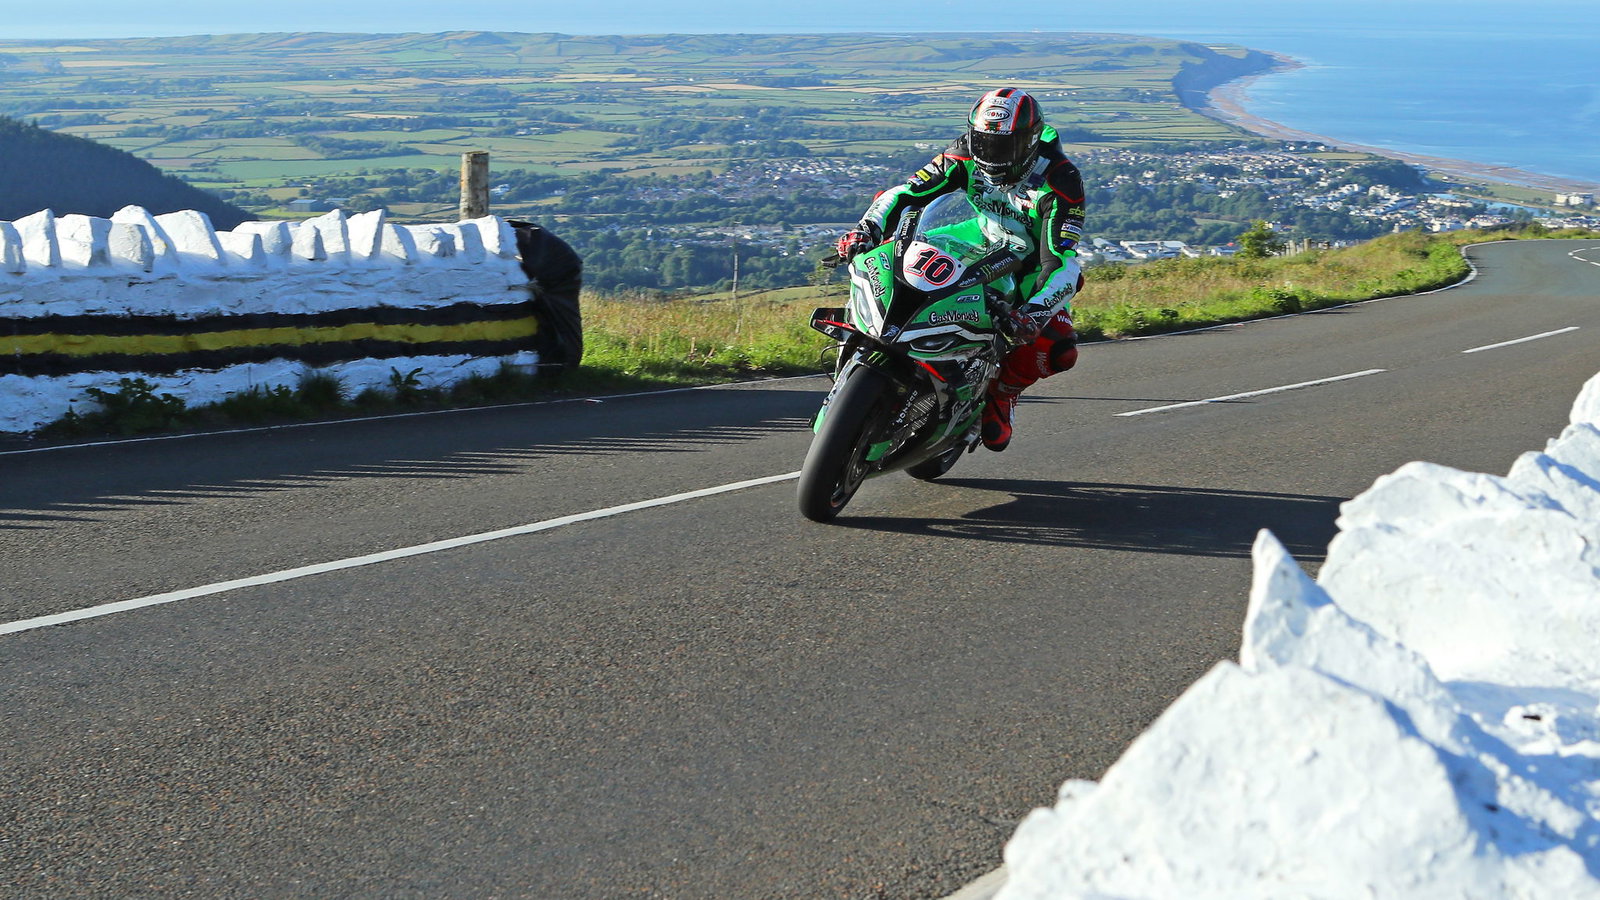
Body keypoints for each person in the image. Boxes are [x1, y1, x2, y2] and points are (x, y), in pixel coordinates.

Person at [835, 88, 1086, 451]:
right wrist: (866, 228)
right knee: (891, 259)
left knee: (1059, 348)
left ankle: (1001, 393)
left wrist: (1034, 313)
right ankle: (865, 334)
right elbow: (907, 192)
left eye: (1003, 146)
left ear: (1030, 142)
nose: (990, 155)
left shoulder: (1061, 181)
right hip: (973, 234)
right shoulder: (964, 152)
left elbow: (1061, 260)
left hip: (1027, 261)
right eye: (983, 142)